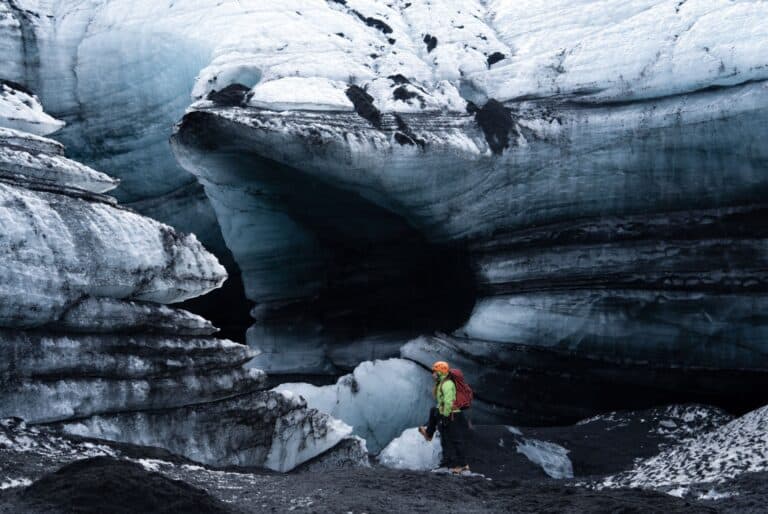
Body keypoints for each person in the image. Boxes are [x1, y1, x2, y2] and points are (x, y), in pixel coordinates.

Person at [418, 361, 470, 473]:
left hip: (452, 415)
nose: (433, 374)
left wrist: (445, 417)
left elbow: (448, 402)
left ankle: (463, 465)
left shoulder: (447, 384)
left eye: (434, 371)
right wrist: (439, 414)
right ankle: (446, 463)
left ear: (440, 372)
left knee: (456, 440)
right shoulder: (442, 383)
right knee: (445, 440)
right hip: (447, 414)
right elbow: (441, 402)